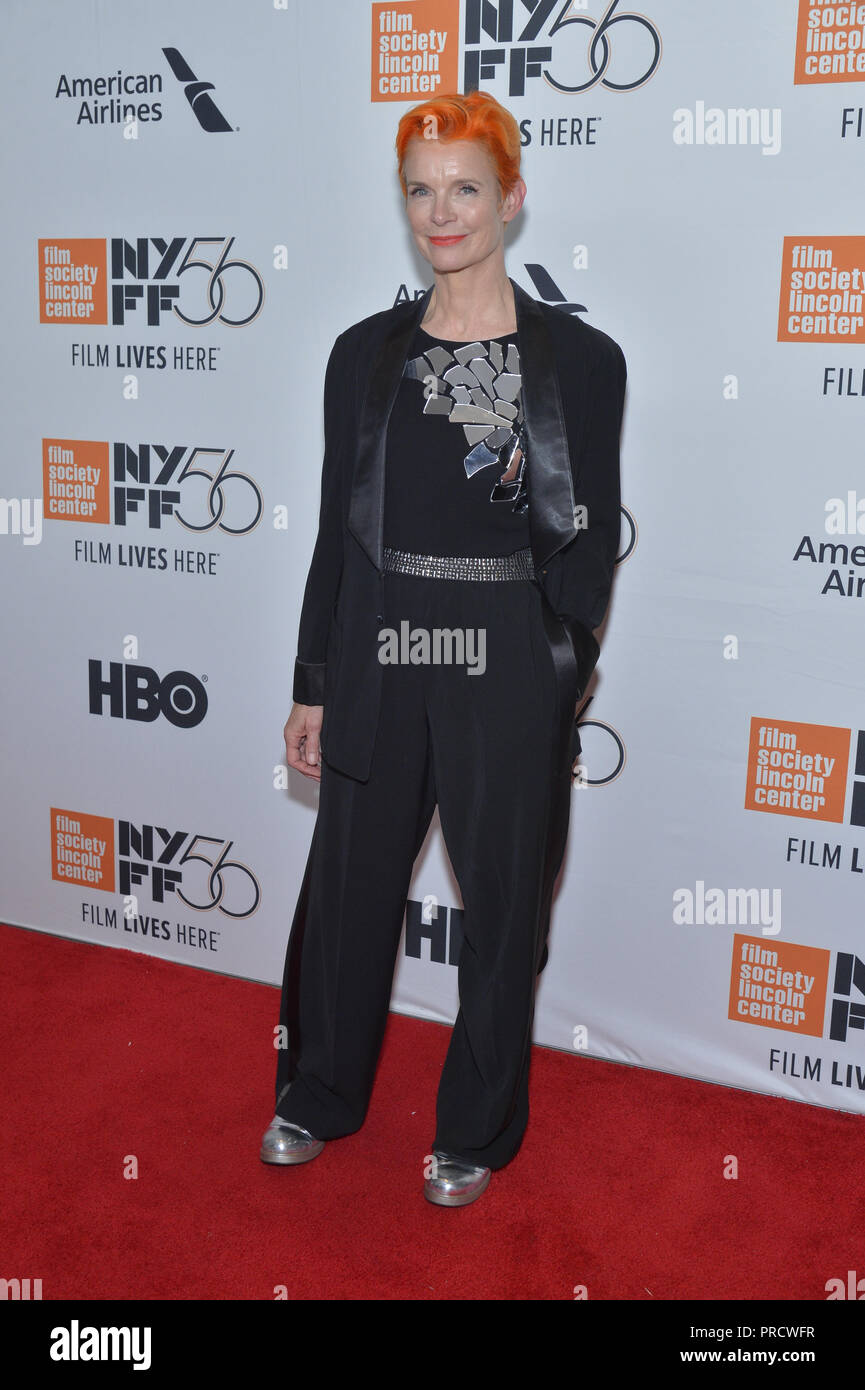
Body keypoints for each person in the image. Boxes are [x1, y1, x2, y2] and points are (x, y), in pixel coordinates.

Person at [261, 90, 626, 1207]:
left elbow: (586, 536)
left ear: (511, 198)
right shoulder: (361, 357)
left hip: (502, 657)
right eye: (421, 190)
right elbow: (339, 531)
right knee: (348, 888)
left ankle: (476, 1127)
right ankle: (318, 1091)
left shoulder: (579, 360)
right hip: (379, 644)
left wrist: (552, 664)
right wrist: (315, 682)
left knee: (503, 905)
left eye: (464, 187)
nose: (441, 211)